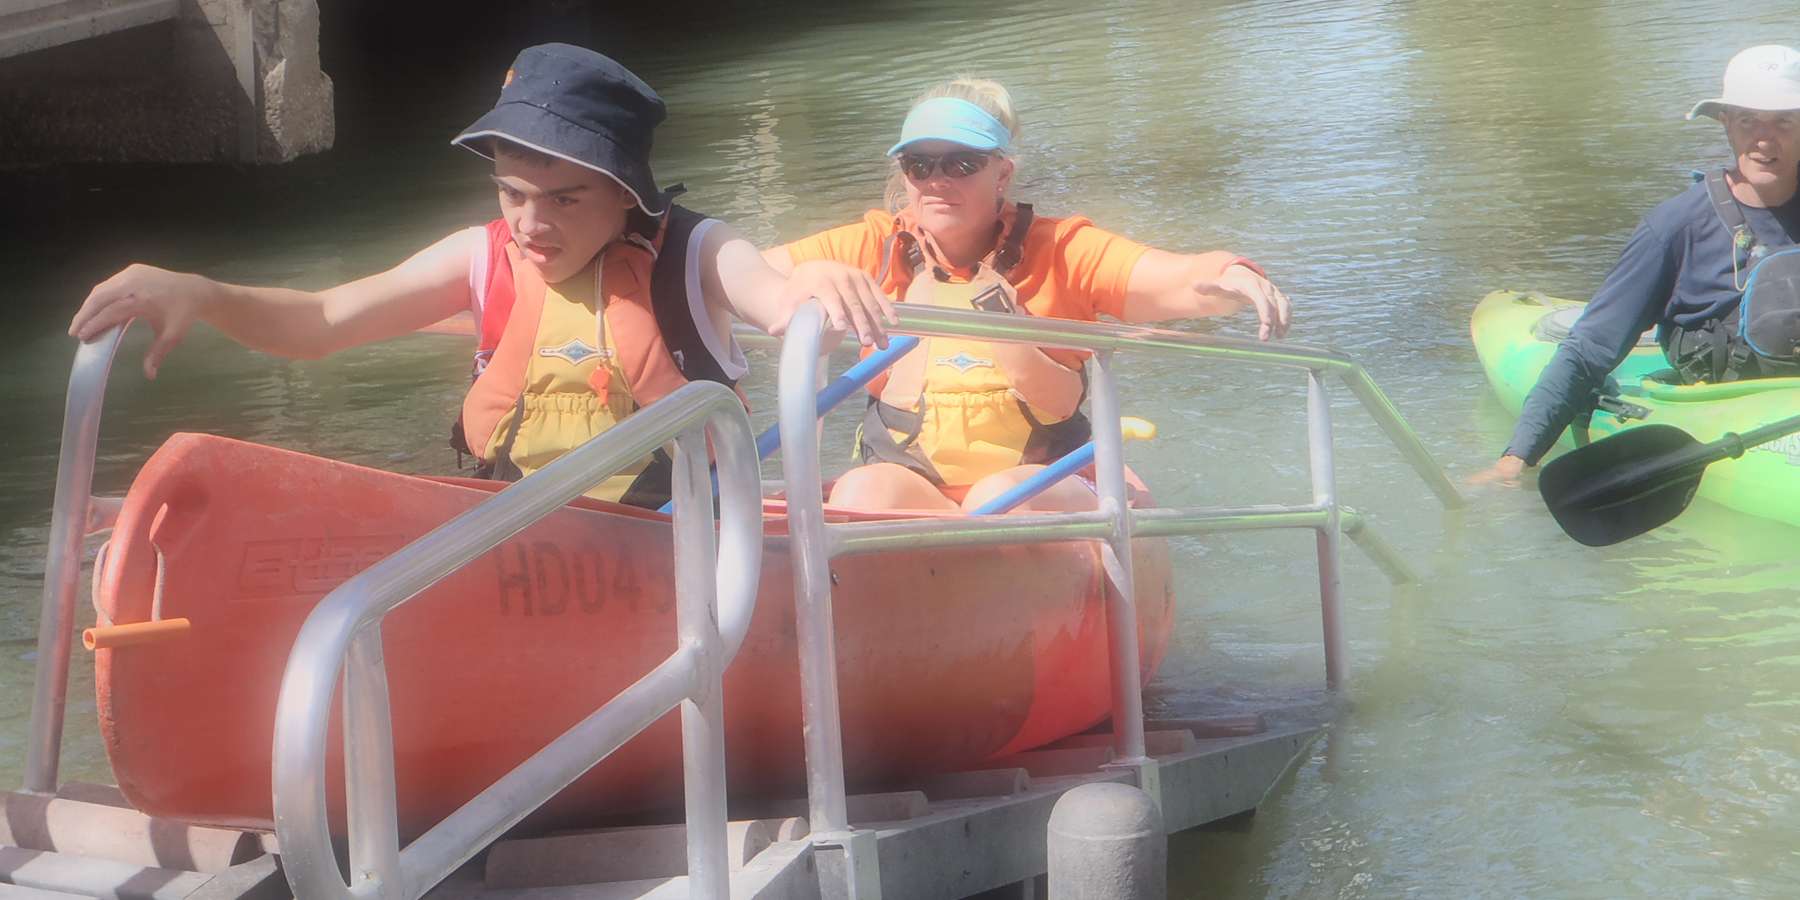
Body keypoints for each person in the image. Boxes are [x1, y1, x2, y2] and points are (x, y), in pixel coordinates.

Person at [68, 43, 890, 508]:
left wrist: (809, 281)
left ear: (624, 195)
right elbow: (322, 320)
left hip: (674, 544)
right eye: (513, 193)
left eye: (565, 200)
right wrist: (202, 293)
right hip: (520, 539)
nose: (532, 224)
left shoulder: (696, 251)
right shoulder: (481, 255)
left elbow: (771, 293)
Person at [762, 77, 1292, 513]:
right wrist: (809, 275)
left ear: (1002, 174)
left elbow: (1177, 280)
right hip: (912, 479)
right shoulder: (870, 247)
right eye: (919, 165)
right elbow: (738, 275)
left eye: (961, 164)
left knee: (1003, 497)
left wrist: (1233, 274)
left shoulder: (1064, 249)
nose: (936, 180)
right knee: (863, 493)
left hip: (1048, 478)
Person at [1473, 45, 1800, 487]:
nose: (1765, 139)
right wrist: (1516, 459)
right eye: (1748, 121)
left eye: (1783, 120)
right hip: (1735, 409)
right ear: (1725, 124)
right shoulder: (1675, 227)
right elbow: (1589, 349)